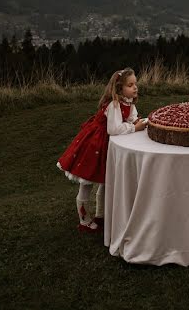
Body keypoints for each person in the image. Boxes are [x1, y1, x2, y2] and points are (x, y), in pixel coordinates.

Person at [57, 67, 147, 233]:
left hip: (107, 145)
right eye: (130, 85)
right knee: (87, 181)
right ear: (119, 89)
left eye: (135, 84)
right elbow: (113, 129)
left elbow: (132, 119)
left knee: (105, 179)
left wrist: (137, 122)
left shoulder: (129, 104)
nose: (135, 87)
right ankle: (84, 221)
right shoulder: (113, 105)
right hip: (95, 144)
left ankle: (101, 215)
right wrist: (134, 128)